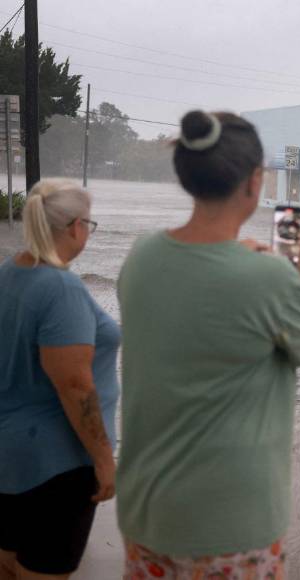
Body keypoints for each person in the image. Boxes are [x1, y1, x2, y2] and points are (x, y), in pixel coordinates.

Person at [116, 111, 300, 579]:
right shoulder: (270, 277)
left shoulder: (141, 257)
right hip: (231, 527)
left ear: (187, 175)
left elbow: (201, 301)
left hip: (147, 515)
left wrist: (258, 268)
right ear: (255, 183)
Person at [0, 180, 120, 579]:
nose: (90, 231)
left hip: (10, 456)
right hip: (57, 465)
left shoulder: (10, 271)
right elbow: (74, 385)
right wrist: (104, 461)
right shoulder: (61, 288)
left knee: (9, 564)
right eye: (91, 223)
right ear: (74, 227)